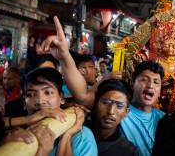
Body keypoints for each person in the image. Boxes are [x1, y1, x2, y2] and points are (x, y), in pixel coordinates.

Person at [40, 16, 162, 156]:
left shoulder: (163, 120)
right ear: (132, 81)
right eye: (144, 80)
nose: (111, 111)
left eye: (156, 82)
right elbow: (81, 95)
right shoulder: (84, 135)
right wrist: (64, 56)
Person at [11, 67, 98, 155]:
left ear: (61, 98)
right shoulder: (15, 135)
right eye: (31, 94)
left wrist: (66, 136)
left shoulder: (80, 137)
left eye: (48, 92)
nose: (40, 101)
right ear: (24, 103)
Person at [91, 79, 138, 155]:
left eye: (119, 106)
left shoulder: (128, 151)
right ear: (95, 104)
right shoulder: (78, 131)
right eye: (106, 103)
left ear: (126, 112)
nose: (111, 111)